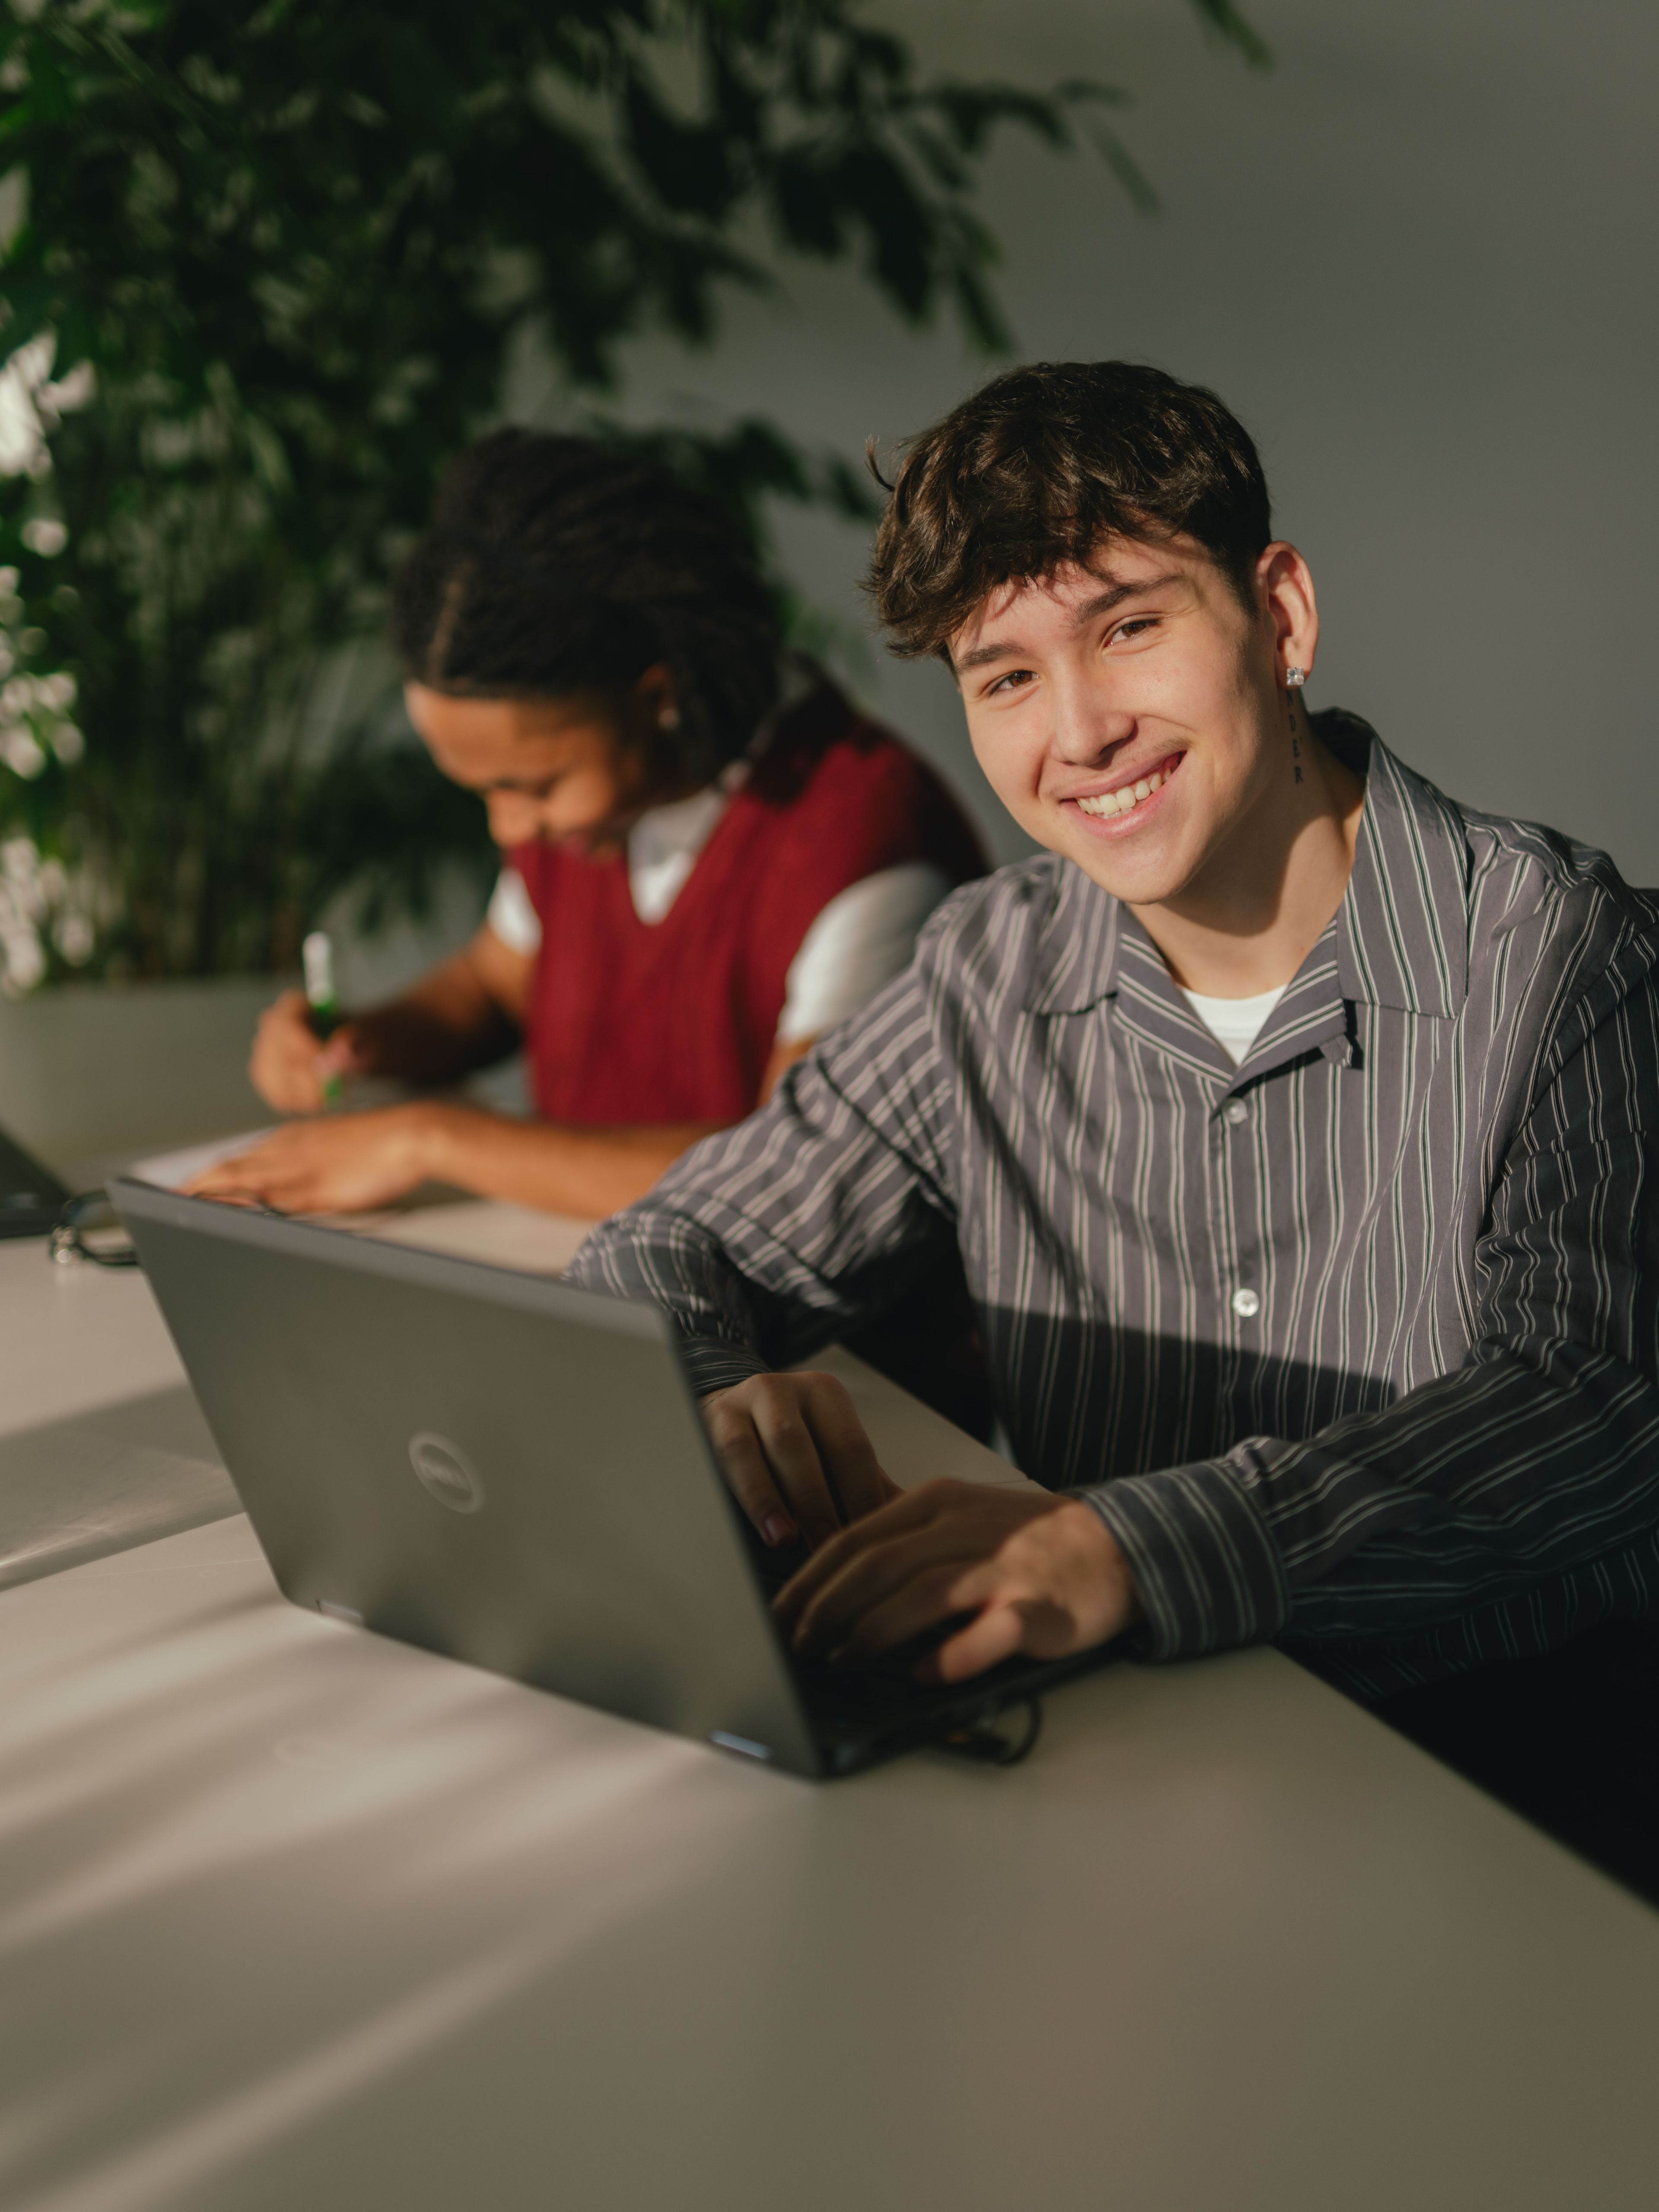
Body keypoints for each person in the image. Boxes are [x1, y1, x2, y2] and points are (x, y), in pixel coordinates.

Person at [569, 361, 1659, 1891]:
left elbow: (1597, 1412)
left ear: (1277, 617)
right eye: (1004, 675)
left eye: (1129, 626)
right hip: (1116, 1781)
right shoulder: (986, 968)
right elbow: (668, 1241)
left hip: (1512, 1796)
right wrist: (710, 1380)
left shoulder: (1571, 959)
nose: (1077, 732)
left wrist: (1132, 1548)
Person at [193, 432, 987, 1225]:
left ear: (653, 698)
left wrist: (427, 1138)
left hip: (834, 1350)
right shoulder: (603, 805)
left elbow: (798, 1176)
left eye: (530, 787)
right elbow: (494, 987)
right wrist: (364, 1040)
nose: (509, 830)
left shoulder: (863, 843)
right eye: (482, 791)